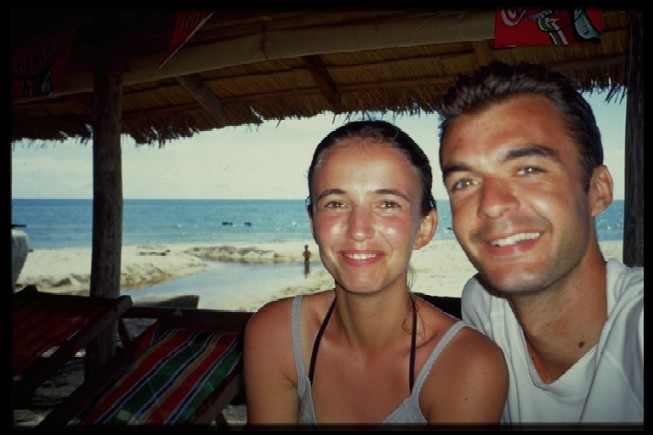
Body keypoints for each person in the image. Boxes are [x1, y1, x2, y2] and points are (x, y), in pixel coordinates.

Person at [243, 120, 508, 428]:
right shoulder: (277, 335)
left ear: (424, 228)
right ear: (313, 223)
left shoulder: (466, 366)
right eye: (336, 203)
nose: (359, 230)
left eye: (387, 204)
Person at [437, 61, 643, 426]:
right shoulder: (483, 305)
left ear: (598, 191)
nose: (491, 204)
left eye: (528, 169)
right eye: (464, 182)